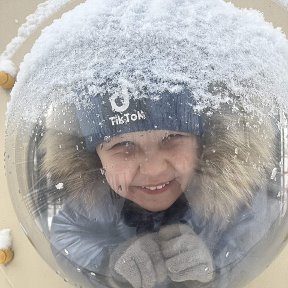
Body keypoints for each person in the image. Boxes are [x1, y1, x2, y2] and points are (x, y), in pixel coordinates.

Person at [39, 87, 279, 288]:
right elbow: (66, 237)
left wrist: (213, 269)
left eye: (172, 137)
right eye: (123, 145)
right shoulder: (90, 205)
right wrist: (108, 262)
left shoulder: (241, 204)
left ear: (203, 143)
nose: (153, 168)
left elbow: (256, 236)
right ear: (94, 159)